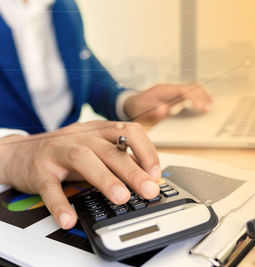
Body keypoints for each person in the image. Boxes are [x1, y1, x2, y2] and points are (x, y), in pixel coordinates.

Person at [0, 0, 212, 230]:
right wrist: (10, 154)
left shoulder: (63, 7)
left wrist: (129, 102)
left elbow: (88, 77)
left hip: (71, 172)